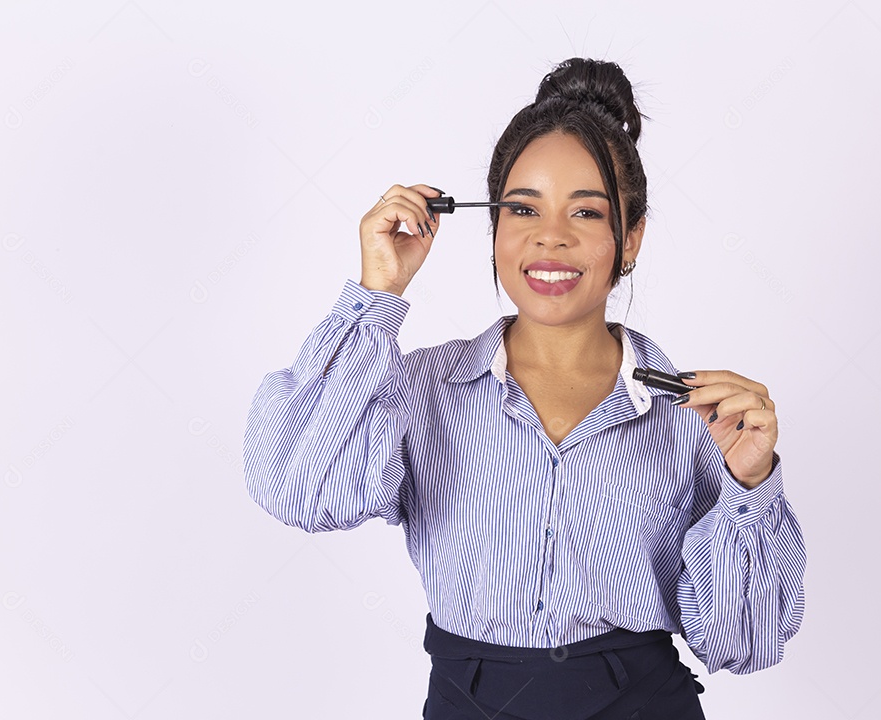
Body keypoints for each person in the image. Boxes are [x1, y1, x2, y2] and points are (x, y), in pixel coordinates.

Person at [244, 57, 806, 720]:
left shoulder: (699, 418)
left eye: (587, 212)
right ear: (494, 228)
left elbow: (744, 644)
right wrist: (377, 293)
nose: (551, 237)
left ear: (631, 239)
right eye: (523, 208)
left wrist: (751, 484)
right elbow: (300, 490)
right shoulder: (420, 389)